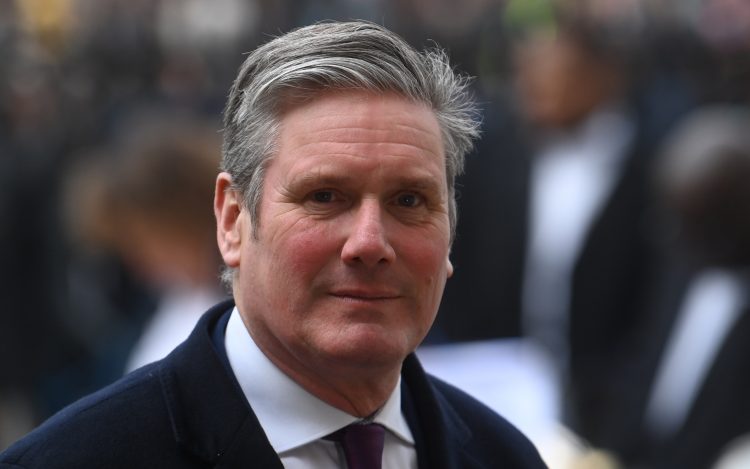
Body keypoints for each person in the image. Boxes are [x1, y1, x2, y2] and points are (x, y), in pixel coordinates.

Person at [0, 21, 547, 468]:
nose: (370, 242)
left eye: (409, 200)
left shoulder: (506, 457)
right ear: (232, 220)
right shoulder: (75, 460)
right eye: (325, 196)